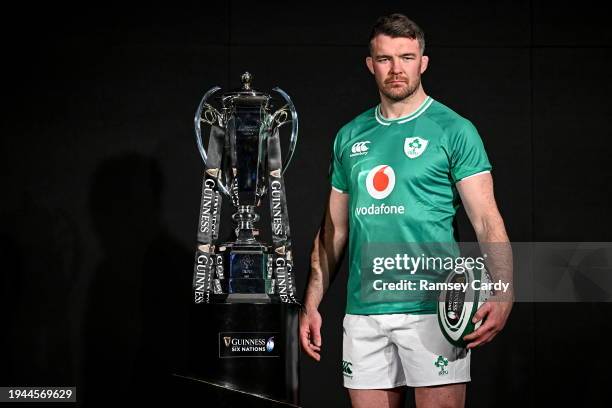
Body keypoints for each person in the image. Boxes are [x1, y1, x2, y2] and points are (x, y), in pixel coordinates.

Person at [300, 13, 513, 408]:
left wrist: (502, 290)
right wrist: (311, 301)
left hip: (434, 309)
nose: (396, 69)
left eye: (407, 57)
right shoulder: (350, 136)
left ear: (423, 62)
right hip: (365, 313)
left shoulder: (454, 130)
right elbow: (334, 229)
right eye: (385, 59)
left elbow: (486, 219)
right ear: (371, 64)